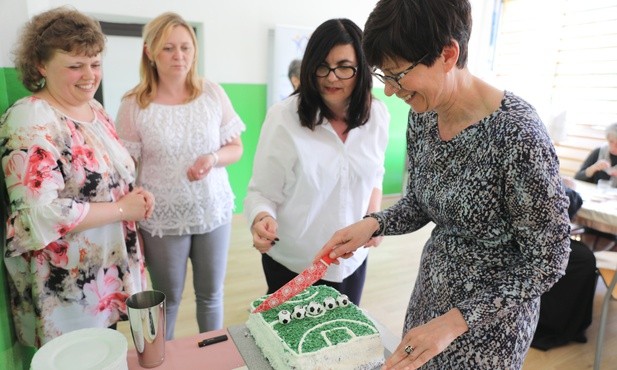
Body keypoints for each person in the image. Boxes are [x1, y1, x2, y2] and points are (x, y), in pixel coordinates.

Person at [317, 1, 571, 369]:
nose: (389, 90)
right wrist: (373, 223)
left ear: (448, 54)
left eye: (397, 75)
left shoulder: (517, 136)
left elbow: (548, 260)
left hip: (489, 328)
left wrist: (455, 322)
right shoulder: (424, 115)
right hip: (429, 300)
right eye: (382, 75)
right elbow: (421, 201)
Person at [0, 6, 154, 348]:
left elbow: (107, 180)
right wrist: (121, 210)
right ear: (41, 65)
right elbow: (37, 214)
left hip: (105, 276)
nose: (90, 75)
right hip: (68, 291)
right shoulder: (31, 120)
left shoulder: (95, 111)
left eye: (95, 63)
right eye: (75, 65)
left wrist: (134, 197)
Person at [115, 12, 245, 340]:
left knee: (211, 294)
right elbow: (125, 169)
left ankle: (212, 359)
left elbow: (236, 148)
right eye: (169, 48)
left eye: (186, 48)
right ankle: (163, 361)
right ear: (150, 52)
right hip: (162, 218)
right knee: (168, 300)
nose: (180, 56)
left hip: (212, 210)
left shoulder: (212, 93)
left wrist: (213, 158)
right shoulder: (134, 103)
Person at [244, 18, 389, 305]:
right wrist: (261, 219)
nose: (332, 77)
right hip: (296, 264)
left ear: (362, 69)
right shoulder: (284, 118)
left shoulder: (377, 116)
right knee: (291, 346)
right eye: (322, 66)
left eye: (344, 67)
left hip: (352, 261)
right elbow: (261, 192)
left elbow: (375, 176)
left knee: (342, 342)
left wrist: (374, 218)